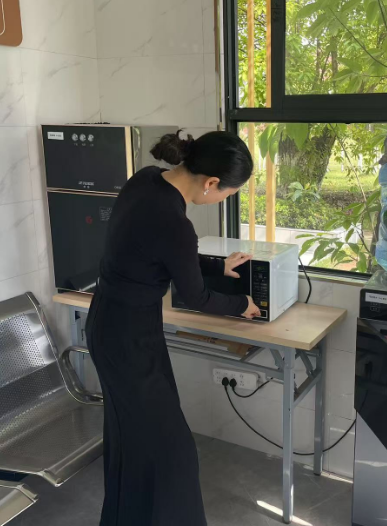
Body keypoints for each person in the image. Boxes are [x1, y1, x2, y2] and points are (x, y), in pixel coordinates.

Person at [85, 130, 261, 526]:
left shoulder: (145, 180)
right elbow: (197, 297)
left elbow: (156, 249)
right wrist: (242, 305)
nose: (222, 201)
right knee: (173, 451)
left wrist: (217, 266)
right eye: (228, 195)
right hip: (129, 338)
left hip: (111, 324)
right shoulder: (175, 223)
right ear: (211, 182)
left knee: (131, 438)